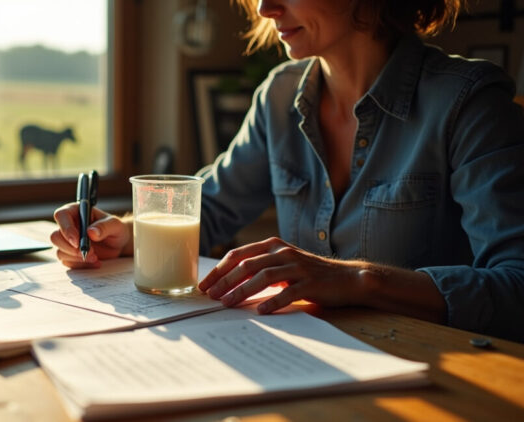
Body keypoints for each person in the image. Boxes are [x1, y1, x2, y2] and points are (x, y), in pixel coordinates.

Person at [51, 0, 524, 342]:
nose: (264, 8)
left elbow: (516, 286)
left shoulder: (469, 104)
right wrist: (124, 234)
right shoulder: (280, 96)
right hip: (307, 362)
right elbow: (210, 206)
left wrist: (359, 279)